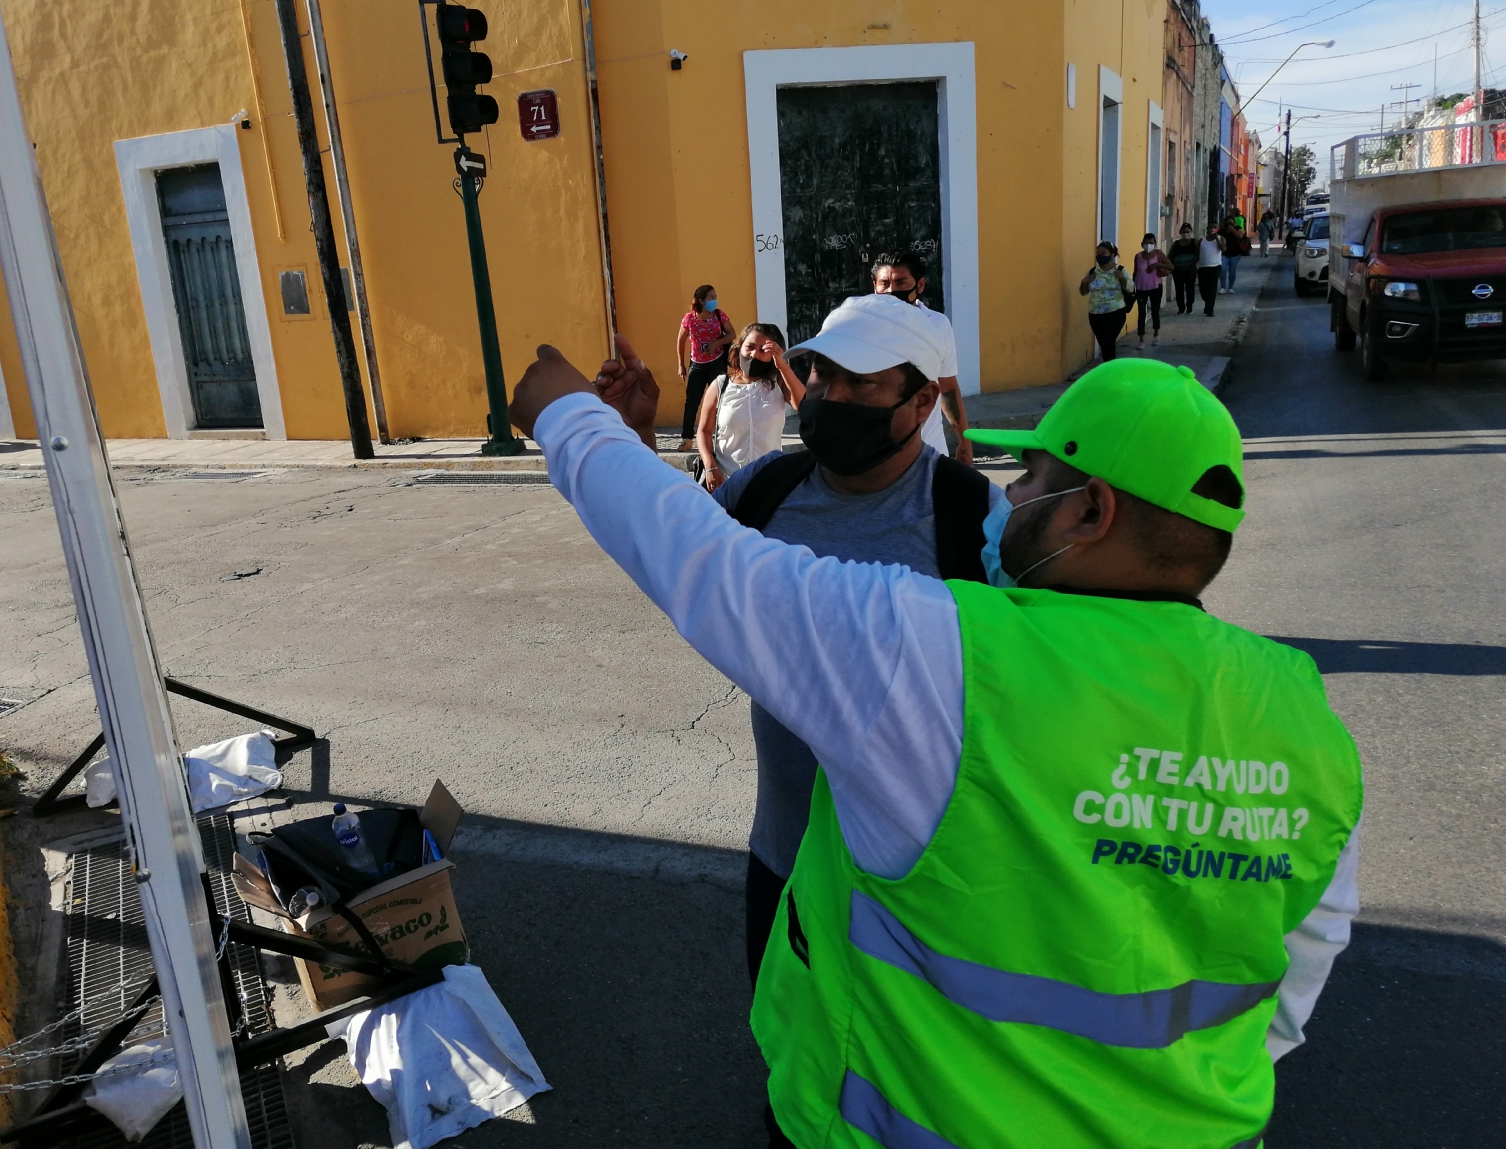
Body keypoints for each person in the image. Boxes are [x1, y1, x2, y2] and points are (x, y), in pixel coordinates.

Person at [511, 343, 1362, 1149]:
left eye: (1033, 475)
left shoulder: (942, 656)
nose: (1011, 492)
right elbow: (1291, 983)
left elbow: (702, 563)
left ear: (1090, 510)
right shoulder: (1307, 721)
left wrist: (567, 415)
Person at [706, 294, 1000, 1001]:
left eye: (861, 383)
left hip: (917, 874)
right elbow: (669, 556)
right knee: (786, 1052)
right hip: (784, 856)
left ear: (923, 398)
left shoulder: (972, 515)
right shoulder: (764, 492)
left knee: (901, 1078)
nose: (832, 397)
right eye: (822, 374)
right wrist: (620, 432)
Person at [870, 251, 973, 464]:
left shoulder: (937, 325)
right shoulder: (859, 326)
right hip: (877, 456)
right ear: (875, 286)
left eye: (901, 283)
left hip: (930, 452)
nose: (891, 291)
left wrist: (964, 440)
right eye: (885, 284)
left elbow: (947, 386)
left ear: (920, 286)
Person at [696, 323, 804, 492]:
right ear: (739, 348)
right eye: (750, 347)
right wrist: (710, 466)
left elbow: (803, 404)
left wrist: (783, 365)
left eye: (763, 350)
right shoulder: (720, 385)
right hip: (727, 483)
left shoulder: (778, 384)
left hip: (769, 482)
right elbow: (704, 431)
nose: (755, 354)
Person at [676, 284, 735, 452]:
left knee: (721, 401)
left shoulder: (719, 315)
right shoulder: (689, 319)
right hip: (697, 365)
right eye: (711, 297)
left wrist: (716, 343)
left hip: (717, 362)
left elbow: (732, 334)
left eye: (715, 297)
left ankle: (721, 438)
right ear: (701, 301)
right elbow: (680, 341)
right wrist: (681, 364)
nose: (714, 300)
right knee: (692, 402)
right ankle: (687, 438)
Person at [1079, 241, 1134, 361]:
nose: (1099, 256)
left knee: (1109, 341)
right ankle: (1108, 366)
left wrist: (1122, 278)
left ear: (1112, 254)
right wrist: (1084, 282)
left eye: (1103, 253)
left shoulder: (1119, 270)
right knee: (1103, 343)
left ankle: (1110, 368)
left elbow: (1131, 288)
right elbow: (1083, 292)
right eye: (1097, 253)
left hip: (1115, 312)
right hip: (1095, 314)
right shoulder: (1093, 272)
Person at [1131, 234, 1172, 345]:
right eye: (1146, 242)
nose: (1148, 245)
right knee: (1142, 313)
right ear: (1142, 244)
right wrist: (1132, 286)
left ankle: (1156, 334)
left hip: (1156, 287)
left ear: (1155, 244)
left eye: (1151, 243)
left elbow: (1171, 266)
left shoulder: (1158, 254)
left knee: (1155, 311)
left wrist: (1157, 264)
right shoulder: (1138, 256)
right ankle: (1141, 339)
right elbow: (1135, 272)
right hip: (1141, 288)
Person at [1168, 222, 1200, 314]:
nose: (1186, 234)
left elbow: (1199, 255)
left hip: (1190, 271)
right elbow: (1170, 256)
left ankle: (1189, 307)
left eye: (1187, 232)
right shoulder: (1176, 244)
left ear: (1191, 232)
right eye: (1183, 232)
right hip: (1177, 271)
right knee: (1179, 290)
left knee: (1190, 290)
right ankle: (1181, 308)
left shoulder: (1195, 242)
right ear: (1180, 233)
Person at [1197, 223, 1223, 316]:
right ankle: (1207, 302)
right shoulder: (1201, 240)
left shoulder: (1220, 238)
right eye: (1211, 227)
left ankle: (1210, 309)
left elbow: (1223, 249)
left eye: (1215, 227)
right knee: (1203, 289)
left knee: (1212, 288)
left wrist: (1216, 238)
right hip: (1203, 267)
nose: (1212, 229)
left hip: (1215, 267)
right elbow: (1197, 254)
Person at [1219, 221, 1246, 295]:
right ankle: (1223, 287)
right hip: (1224, 254)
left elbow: (1240, 236)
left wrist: (1232, 230)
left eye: (1231, 222)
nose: (1229, 224)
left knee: (1232, 270)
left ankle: (1230, 287)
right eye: (1228, 222)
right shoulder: (1222, 231)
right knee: (1223, 269)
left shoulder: (1237, 229)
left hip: (1235, 254)